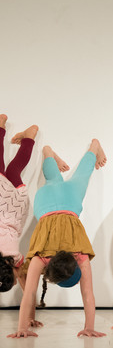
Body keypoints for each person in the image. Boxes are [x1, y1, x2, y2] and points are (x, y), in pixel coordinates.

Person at [7, 139, 107, 338]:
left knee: (81, 177)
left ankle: (92, 148)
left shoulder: (80, 256)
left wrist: (90, 326)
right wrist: (22, 328)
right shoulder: (41, 258)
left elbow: (87, 294)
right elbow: (29, 293)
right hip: (44, 201)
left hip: (69, 201)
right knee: (53, 182)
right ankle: (48, 153)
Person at [0, 115, 38, 293]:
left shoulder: (16, 257)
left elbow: (23, 279)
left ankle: (30, 136)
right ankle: (1, 126)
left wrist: (30, 308)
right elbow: (21, 277)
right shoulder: (12, 258)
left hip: (16, 205)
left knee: (14, 169)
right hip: (2, 203)